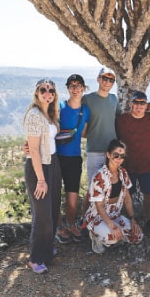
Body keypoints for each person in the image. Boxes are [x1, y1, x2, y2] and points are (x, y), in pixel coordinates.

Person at [24, 78, 62, 274]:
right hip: (39, 168)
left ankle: (47, 250)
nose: (47, 93)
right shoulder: (34, 115)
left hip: (53, 163)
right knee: (43, 214)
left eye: (51, 91)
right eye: (43, 90)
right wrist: (41, 179)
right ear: (37, 92)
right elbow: (34, 151)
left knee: (53, 209)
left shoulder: (50, 114)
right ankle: (36, 258)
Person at [84, 139, 143, 254]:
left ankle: (115, 234)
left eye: (122, 156)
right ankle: (96, 236)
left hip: (114, 215)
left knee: (137, 236)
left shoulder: (123, 173)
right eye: (116, 155)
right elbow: (99, 206)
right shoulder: (99, 176)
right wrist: (111, 225)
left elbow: (127, 199)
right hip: (98, 217)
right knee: (113, 237)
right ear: (108, 155)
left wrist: (132, 219)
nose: (119, 159)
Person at [81, 67, 122, 215]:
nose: (107, 82)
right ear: (98, 79)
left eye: (111, 79)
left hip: (112, 154)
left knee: (109, 187)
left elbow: (121, 118)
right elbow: (78, 119)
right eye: (104, 78)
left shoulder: (113, 99)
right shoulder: (87, 99)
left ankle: (104, 219)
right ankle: (84, 220)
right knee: (93, 188)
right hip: (95, 150)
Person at [55, 74, 90, 244]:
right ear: (68, 88)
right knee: (55, 194)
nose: (75, 89)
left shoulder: (86, 111)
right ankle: (58, 227)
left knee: (72, 197)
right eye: (72, 85)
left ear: (83, 88)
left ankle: (70, 224)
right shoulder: (60, 107)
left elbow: (84, 133)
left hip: (74, 158)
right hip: (57, 156)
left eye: (78, 85)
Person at [115, 91, 150, 230]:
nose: (139, 106)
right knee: (128, 194)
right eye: (136, 102)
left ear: (146, 105)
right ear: (130, 104)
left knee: (148, 194)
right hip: (128, 165)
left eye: (142, 103)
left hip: (148, 164)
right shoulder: (121, 120)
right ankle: (130, 220)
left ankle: (149, 219)